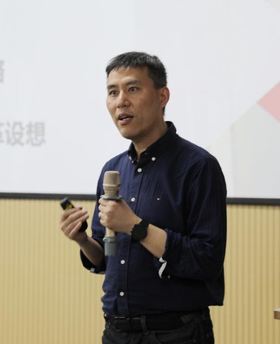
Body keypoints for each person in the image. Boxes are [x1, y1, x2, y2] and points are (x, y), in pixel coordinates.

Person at [60, 52, 227, 343]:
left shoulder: (198, 166)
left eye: (132, 89)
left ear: (163, 96)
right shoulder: (112, 170)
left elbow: (207, 260)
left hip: (177, 334)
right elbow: (106, 258)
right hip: (117, 332)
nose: (120, 101)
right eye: (113, 92)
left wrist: (135, 226)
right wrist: (83, 240)